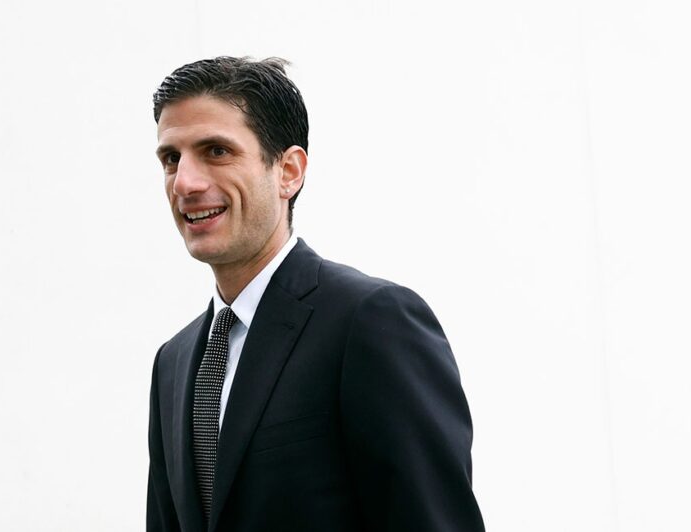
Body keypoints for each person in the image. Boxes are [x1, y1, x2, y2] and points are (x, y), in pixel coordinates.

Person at [146, 56, 485, 532]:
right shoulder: (174, 362)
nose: (185, 182)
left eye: (217, 151)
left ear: (289, 171)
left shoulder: (370, 322)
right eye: (171, 159)